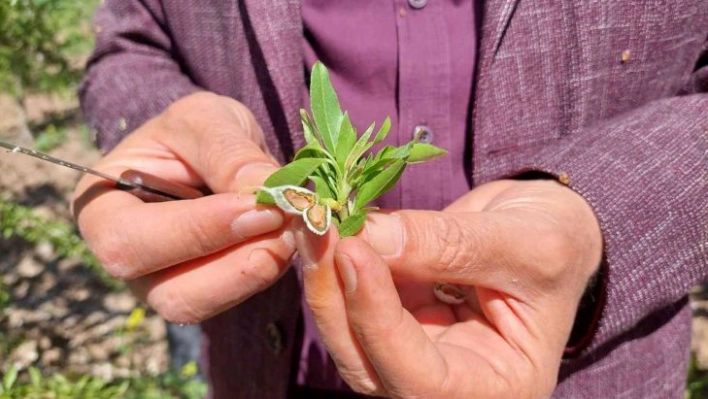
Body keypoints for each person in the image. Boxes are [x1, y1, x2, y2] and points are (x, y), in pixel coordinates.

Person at [72, 1, 707, 398]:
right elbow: (130, 44)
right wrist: (157, 141)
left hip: (581, 375)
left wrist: (596, 216)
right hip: (269, 368)